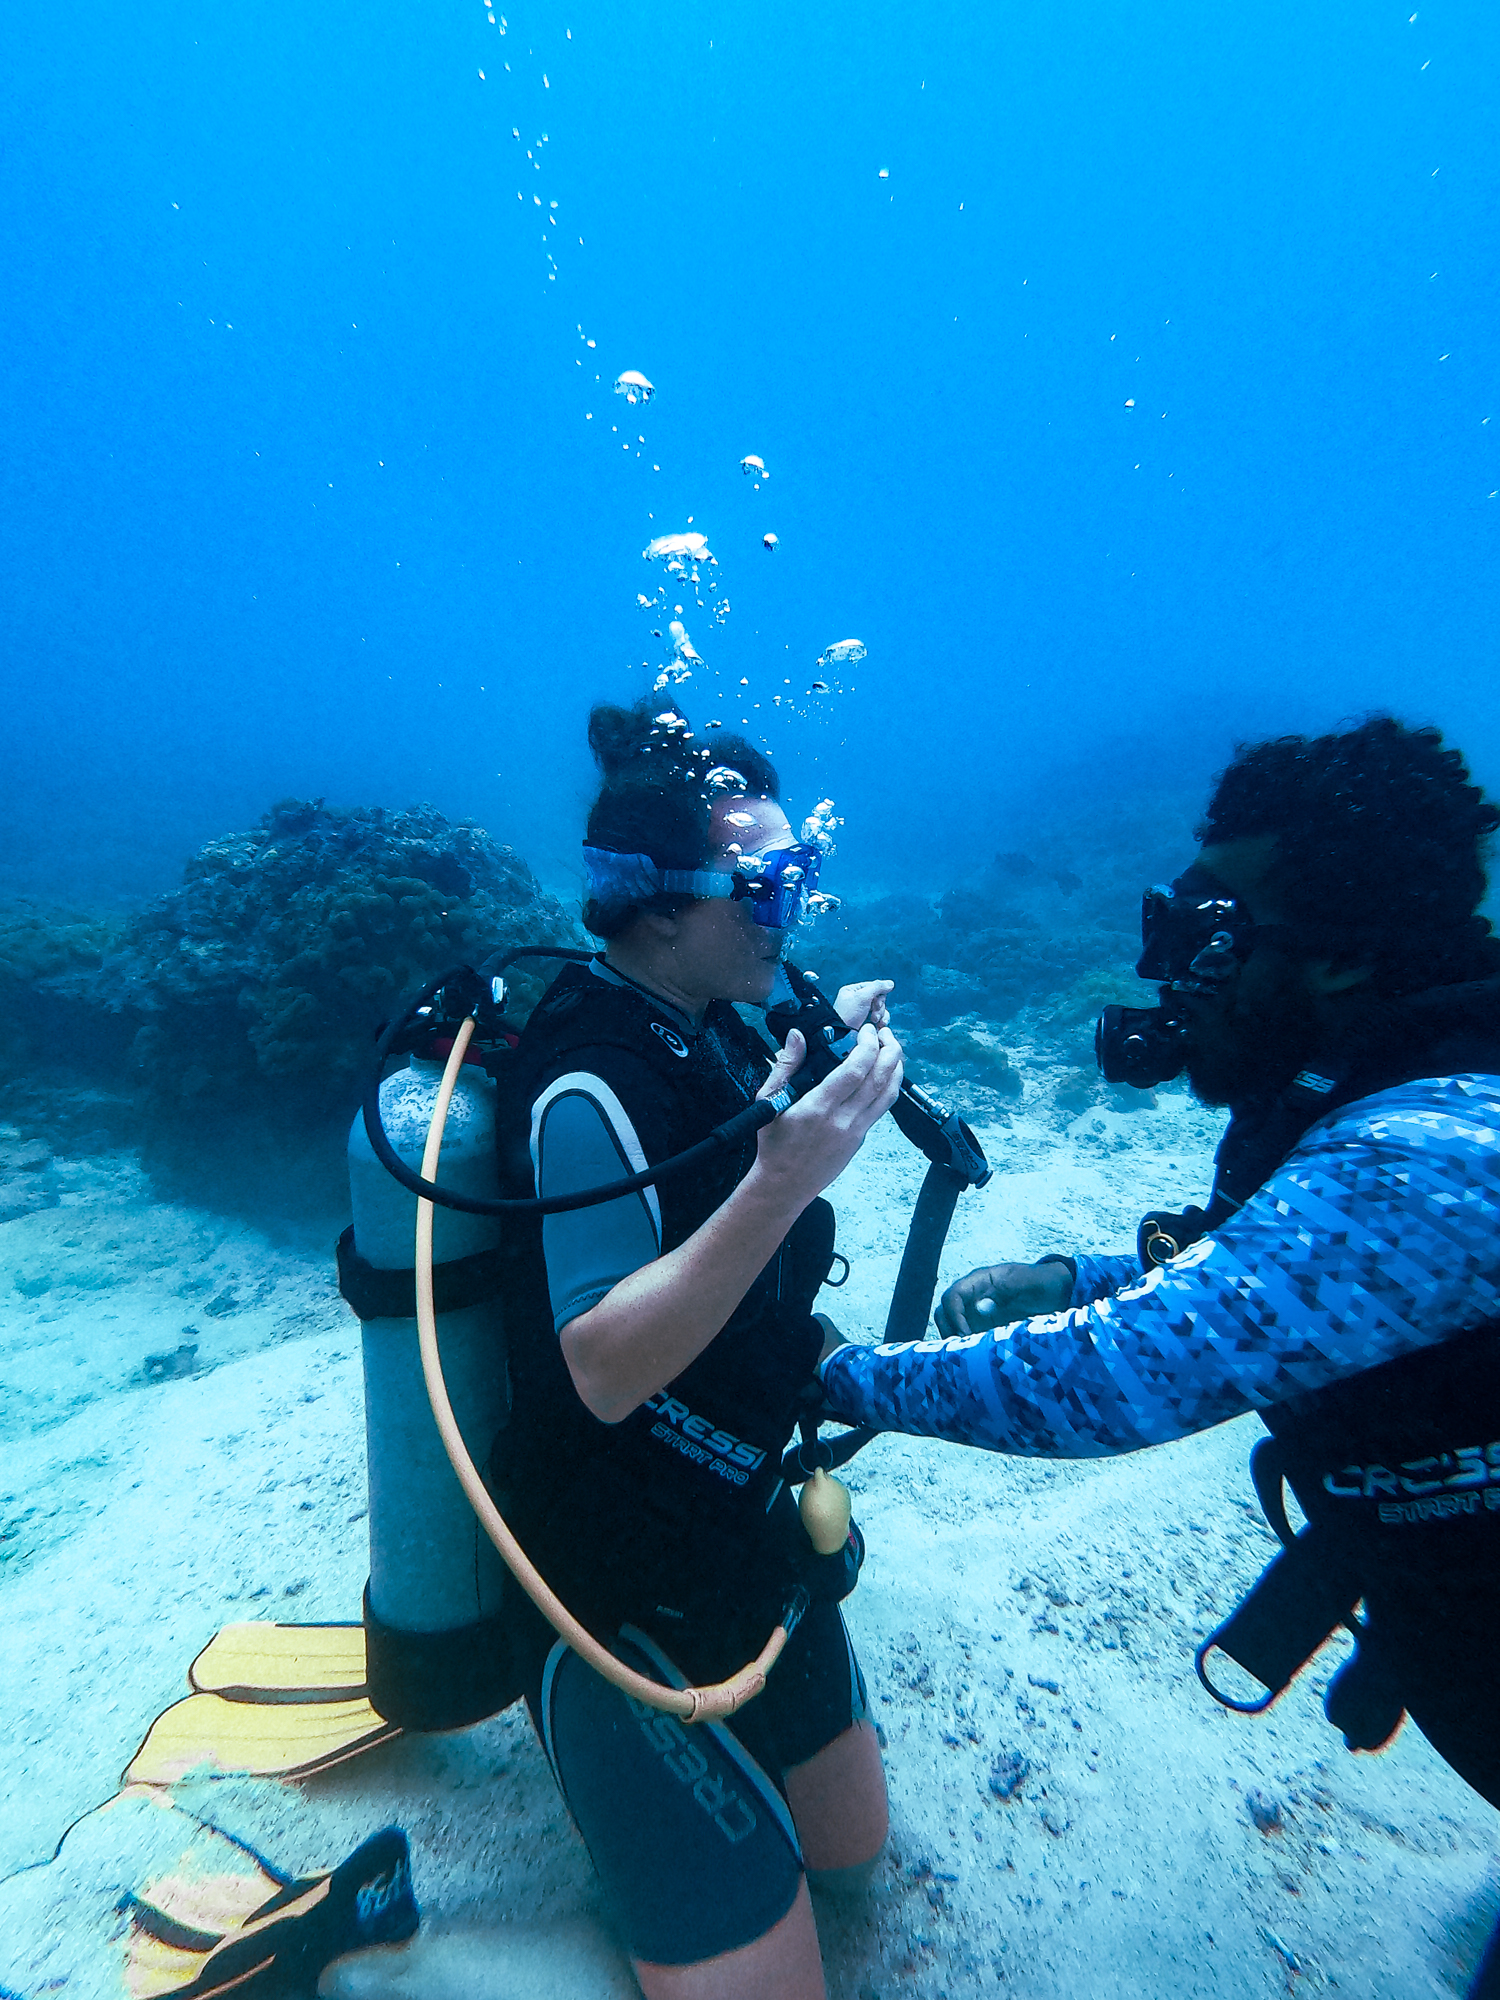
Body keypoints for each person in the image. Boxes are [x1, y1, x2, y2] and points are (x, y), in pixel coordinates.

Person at [818, 716, 1500, 1995]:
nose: (1170, 970)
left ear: (1347, 954)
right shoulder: (1395, 1086)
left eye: (1213, 935)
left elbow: (1118, 1377)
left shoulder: (1439, 1153)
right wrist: (1083, 1275)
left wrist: (836, 1375)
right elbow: (1299, 1278)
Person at [496, 701, 902, 2000]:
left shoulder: (720, 1025)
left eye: (803, 880)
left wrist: (823, 1054)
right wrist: (785, 1181)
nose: (793, 913)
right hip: (602, 1574)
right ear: (661, 904)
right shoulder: (588, 1082)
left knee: (856, 1850)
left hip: (729, 1523)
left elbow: (733, 1164)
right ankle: (394, 1951)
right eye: (771, 886)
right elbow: (605, 1367)